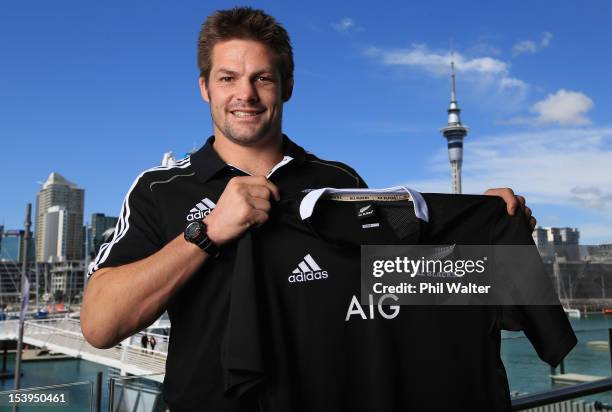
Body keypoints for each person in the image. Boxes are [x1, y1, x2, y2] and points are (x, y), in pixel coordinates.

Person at [81, 7, 536, 410]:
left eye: (263, 77)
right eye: (227, 78)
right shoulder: (159, 189)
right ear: (204, 87)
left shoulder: (341, 184)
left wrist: (493, 231)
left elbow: (410, 284)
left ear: (288, 87)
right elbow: (100, 324)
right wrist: (207, 232)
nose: (246, 94)